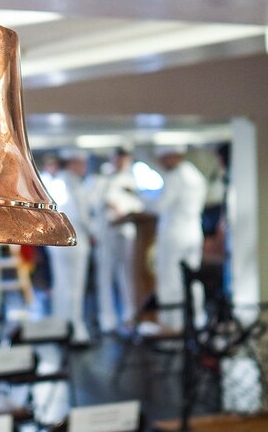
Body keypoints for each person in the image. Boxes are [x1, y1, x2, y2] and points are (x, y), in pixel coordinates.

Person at [151, 146, 208, 333]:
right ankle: (197, 319)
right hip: (193, 232)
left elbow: (160, 206)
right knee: (193, 277)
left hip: (174, 234)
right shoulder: (196, 175)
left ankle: (173, 325)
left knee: (170, 278)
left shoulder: (176, 177)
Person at [94, 148, 144, 334]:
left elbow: (138, 205)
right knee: (105, 276)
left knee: (127, 275)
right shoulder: (103, 180)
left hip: (127, 233)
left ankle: (129, 314)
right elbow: (98, 203)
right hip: (107, 233)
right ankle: (107, 319)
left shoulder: (132, 180)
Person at [46, 152, 93, 345]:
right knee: (74, 288)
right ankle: (75, 330)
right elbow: (82, 216)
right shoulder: (72, 184)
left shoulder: (58, 181)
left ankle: (60, 327)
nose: (85, 166)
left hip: (59, 242)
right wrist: (94, 231)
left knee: (62, 286)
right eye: (82, 162)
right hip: (75, 242)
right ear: (72, 163)